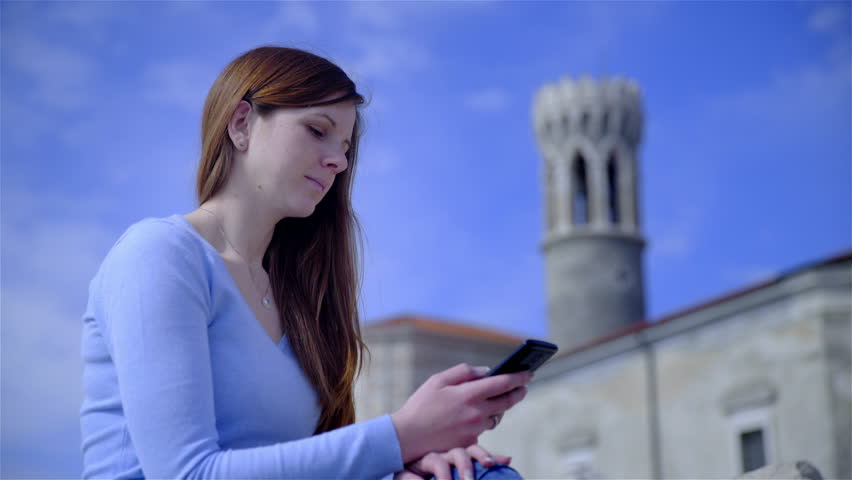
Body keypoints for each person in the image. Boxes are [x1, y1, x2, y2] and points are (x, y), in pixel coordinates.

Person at [79, 46, 530, 480]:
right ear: (242, 124)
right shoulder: (159, 254)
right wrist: (402, 434)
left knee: (479, 474)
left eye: (346, 148)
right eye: (317, 130)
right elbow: (186, 474)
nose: (337, 161)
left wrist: (401, 466)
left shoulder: (294, 298)